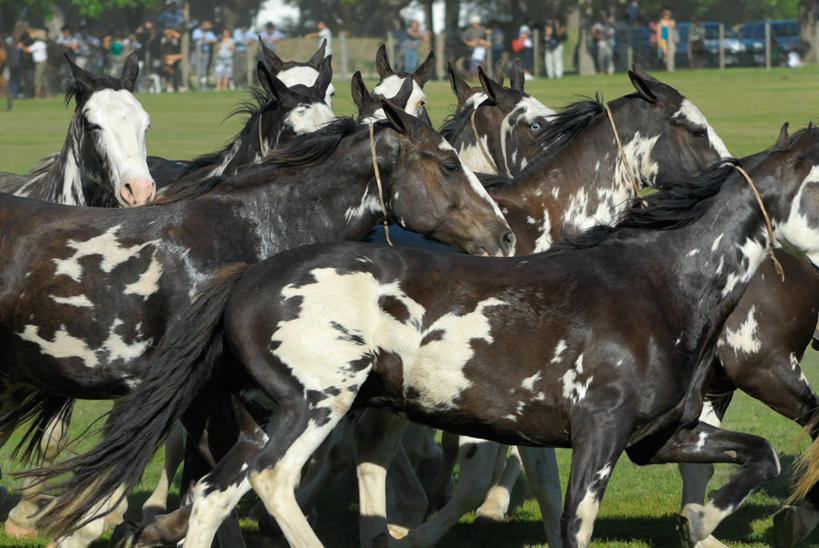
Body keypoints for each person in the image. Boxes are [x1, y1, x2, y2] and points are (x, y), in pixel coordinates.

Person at [18, 32, 48, 98]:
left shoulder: (37, 44)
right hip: (44, 63)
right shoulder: (43, 44)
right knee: (44, 79)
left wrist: (21, 46)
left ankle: (37, 95)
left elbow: (28, 50)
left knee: (37, 80)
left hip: (39, 64)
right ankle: (49, 94)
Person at [192, 21, 216, 87]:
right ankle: (197, 79)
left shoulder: (210, 33)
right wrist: (202, 38)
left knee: (204, 67)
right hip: (196, 51)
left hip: (205, 51)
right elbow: (194, 38)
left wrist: (208, 41)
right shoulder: (196, 31)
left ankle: (202, 83)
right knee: (194, 64)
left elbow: (214, 40)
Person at [232, 23, 255, 88]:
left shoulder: (249, 32)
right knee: (238, 68)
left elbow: (254, 38)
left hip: (245, 52)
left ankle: (242, 83)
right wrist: (247, 40)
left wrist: (249, 40)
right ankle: (236, 83)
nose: (244, 28)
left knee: (245, 68)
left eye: (245, 27)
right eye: (243, 27)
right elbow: (237, 40)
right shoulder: (237, 31)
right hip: (238, 52)